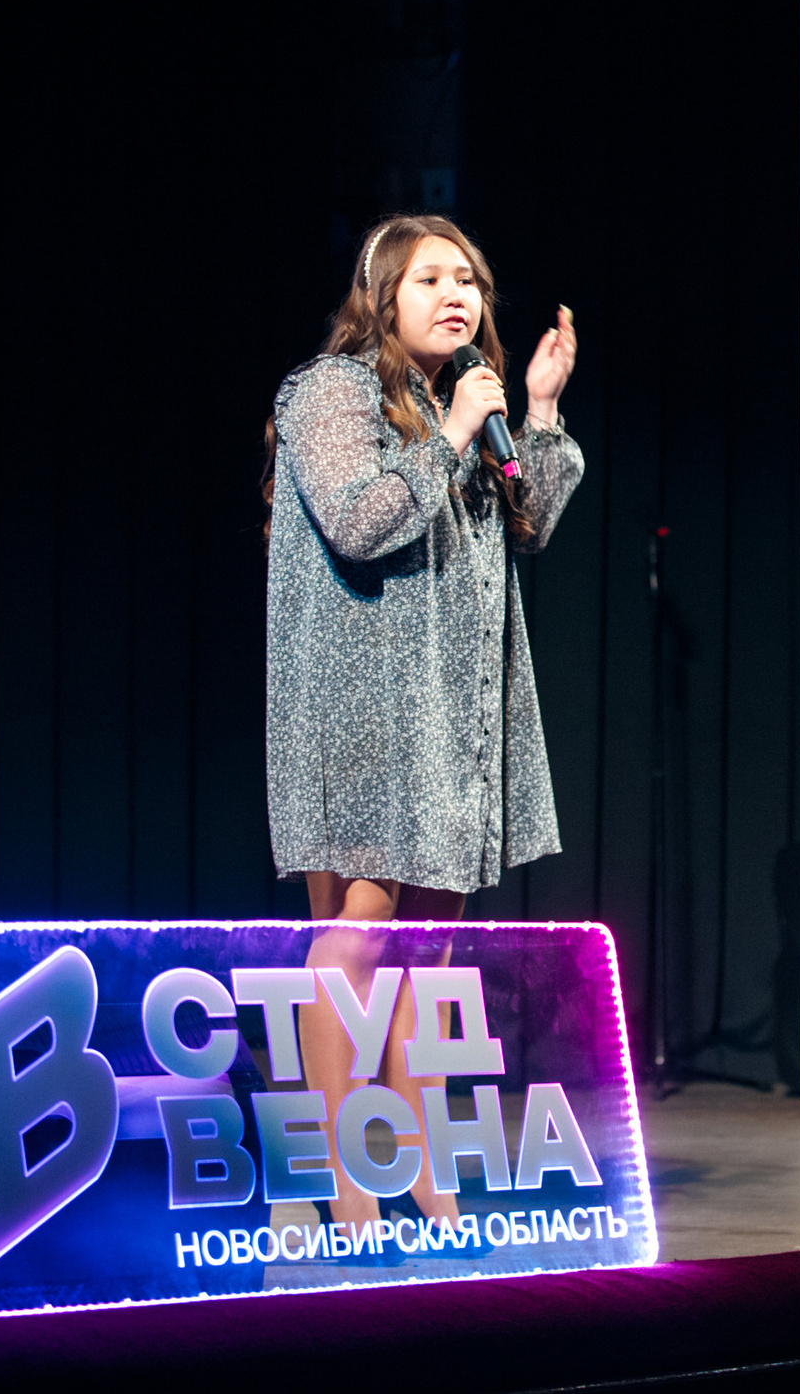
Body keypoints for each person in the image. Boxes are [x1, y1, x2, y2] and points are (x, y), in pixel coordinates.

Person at [261, 213, 581, 1233]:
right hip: (362, 705)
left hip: (452, 711)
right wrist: (445, 439)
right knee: (356, 937)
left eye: (470, 281)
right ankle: (334, 1180)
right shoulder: (330, 390)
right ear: (382, 294)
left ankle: (426, 1181)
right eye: (433, 278)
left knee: (425, 947)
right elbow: (358, 521)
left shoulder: (465, 407)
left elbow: (525, 524)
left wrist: (534, 409)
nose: (459, 296)